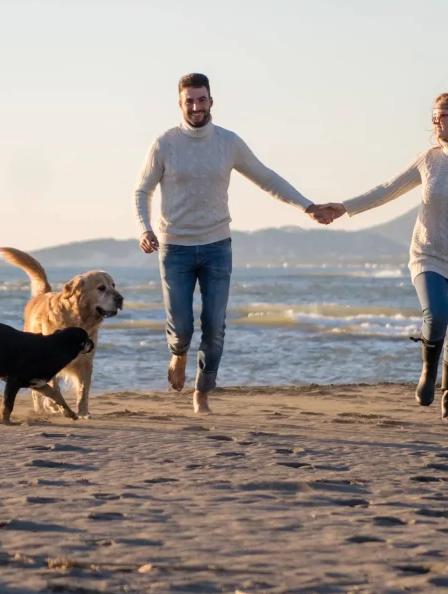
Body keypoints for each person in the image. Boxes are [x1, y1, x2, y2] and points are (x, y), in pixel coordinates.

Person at [135, 73, 323, 414]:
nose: (196, 107)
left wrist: (306, 206)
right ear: (180, 104)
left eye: (201, 100)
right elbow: (142, 190)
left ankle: (202, 392)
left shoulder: (228, 142)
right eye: (190, 101)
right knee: (181, 327)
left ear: (211, 101)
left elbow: (266, 177)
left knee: (214, 326)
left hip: (217, 246)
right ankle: (178, 353)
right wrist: (145, 229)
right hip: (175, 249)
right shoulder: (164, 144)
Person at [311, 91, 448, 420]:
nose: (435, 122)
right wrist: (344, 207)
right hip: (428, 252)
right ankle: (428, 369)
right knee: (437, 315)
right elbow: (388, 189)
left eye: (441, 116)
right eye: (433, 117)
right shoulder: (428, 159)